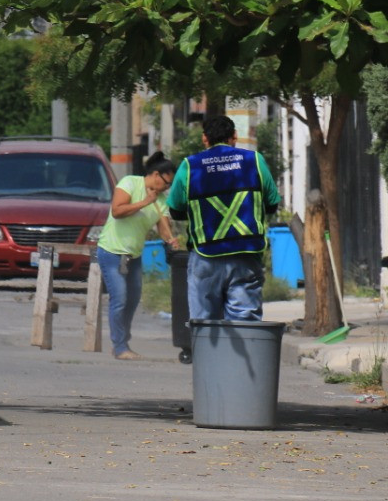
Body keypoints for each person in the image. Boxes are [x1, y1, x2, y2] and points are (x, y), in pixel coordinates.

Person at [166, 115, 280, 322]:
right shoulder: (254, 160)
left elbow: (175, 210)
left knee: (204, 324)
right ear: (234, 136)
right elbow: (272, 203)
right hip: (246, 255)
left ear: (204, 138)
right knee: (245, 323)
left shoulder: (190, 166)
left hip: (205, 256)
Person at [96, 152, 179, 360]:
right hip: (112, 251)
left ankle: (123, 340)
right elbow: (117, 211)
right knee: (119, 298)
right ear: (156, 175)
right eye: (166, 183)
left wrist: (170, 239)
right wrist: (144, 202)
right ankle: (120, 346)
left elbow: (163, 228)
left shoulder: (161, 201)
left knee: (132, 300)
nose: (167, 188)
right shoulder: (130, 183)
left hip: (134, 255)